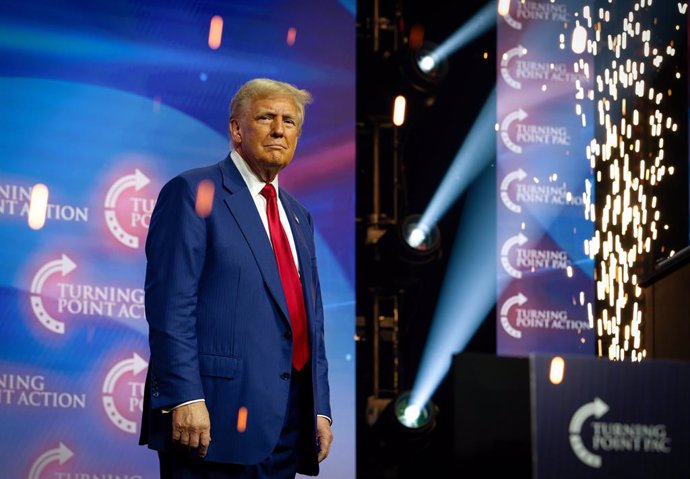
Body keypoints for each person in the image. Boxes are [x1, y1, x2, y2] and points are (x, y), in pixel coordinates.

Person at [139, 78, 333, 478]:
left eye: (290, 121)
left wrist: (320, 407)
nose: (279, 129)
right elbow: (170, 306)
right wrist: (183, 396)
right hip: (211, 419)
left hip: (286, 423)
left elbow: (309, 321)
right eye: (266, 117)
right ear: (236, 129)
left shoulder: (299, 216)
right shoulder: (193, 192)